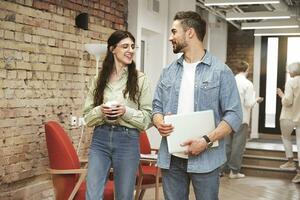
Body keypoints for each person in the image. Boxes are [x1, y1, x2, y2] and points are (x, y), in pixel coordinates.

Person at [152, 11, 242, 199]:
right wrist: (159, 121)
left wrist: (206, 141)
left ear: (190, 33)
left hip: (207, 158)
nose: (170, 37)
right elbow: (156, 107)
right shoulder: (168, 72)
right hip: (172, 159)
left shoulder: (220, 71)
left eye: (174, 31)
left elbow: (234, 115)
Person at [83, 30, 152, 199]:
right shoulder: (98, 79)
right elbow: (87, 117)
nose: (131, 50)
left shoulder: (141, 79)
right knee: (92, 195)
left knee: (123, 196)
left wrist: (125, 111)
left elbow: (147, 120)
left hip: (127, 141)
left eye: (132, 47)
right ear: (112, 49)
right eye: (125, 46)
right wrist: (100, 111)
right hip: (100, 139)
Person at [223, 60, 263, 179]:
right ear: (247, 69)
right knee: (238, 146)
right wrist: (257, 99)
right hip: (241, 118)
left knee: (226, 145)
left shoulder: (229, 81)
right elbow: (248, 103)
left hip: (227, 118)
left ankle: (222, 170)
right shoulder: (247, 84)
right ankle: (234, 172)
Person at [277, 62, 300, 183]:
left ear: (292, 72)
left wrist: (281, 95)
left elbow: (288, 101)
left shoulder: (291, 82)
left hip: (288, 116)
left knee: (286, 137)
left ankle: (291, 162)